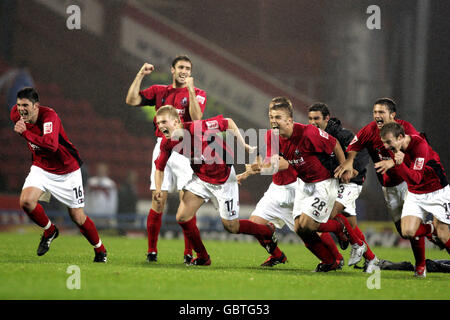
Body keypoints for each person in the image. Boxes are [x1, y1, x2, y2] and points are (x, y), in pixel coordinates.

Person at [153, 105, 276, 266]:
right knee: (182, 217)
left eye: (163, 122)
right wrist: (158, 189)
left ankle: (267, 230)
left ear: (176, 121)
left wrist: (244, 146)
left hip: (223, 179)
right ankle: (203, 257)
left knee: (231, 226)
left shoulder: (198, 127)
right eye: (158, 123)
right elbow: (159, 168)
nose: (160, 126)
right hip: (201, 179)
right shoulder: (167, 143)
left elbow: (228, 122)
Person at [250, 97, 362, 271]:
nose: (273, 121)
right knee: (300, 229)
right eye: (271, 117)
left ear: (289, 120)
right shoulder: (272, 136)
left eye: (278, 117)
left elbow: (334, 144)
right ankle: (328, 262)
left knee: (309, 225)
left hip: (323, 183)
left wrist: (345, 166)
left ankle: (340, 227)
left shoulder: (308, 132)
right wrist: (259, 167)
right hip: (303, 184)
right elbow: (272, 161)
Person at [125, 55, 207, 264]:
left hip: (185, 149)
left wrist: (190, 89)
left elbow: (197, 118)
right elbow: (131, 100)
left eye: (187, 68)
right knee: (158, 199)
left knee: (186, 202)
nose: (184, 71)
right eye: (180, 67)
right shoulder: (160, 91)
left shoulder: (198, 93)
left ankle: (188, 253)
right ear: (172, 69)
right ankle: (152, 251)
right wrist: (140, 75)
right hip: (162, 147)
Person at [10, 87, 107, 262]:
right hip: (41, 167)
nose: (21, 109)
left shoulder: (49, 117)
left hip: (67, 171)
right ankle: (50, 230)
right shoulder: (16, 115)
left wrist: (25, 133)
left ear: (36, 106)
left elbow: (51, 146)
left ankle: (100, 250)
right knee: (26, 201)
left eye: (25, 105)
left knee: (77, 216)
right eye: (18, 105)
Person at [335, 98, 426, 277]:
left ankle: (421, 265)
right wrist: (349, 161)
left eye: (381, 112)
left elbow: (419, 150)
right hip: (389, 188)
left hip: (409, 183)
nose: (377, 116)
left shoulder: (405, 129)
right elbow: (355, 145)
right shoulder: (369, 131)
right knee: (404, 231)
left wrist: (393, 162)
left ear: (392, 115)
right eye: (375, 112)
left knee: (412, 227)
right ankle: (433, 230)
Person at [307, 102, 378, 272]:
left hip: (351, 183)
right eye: (310, 118)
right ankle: (372, 259)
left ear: (327, 118)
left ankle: (354, 242)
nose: (313, 122)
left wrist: (352, 169)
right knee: (351, 227)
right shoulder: (313, 137)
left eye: (316, 118)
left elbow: (361, 151)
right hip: (334, 183)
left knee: (329, 214)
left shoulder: (343, 135)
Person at [379, 122, 450, 277]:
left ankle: (435, 230)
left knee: (444, 236)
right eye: (383, 142)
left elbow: (416, 177)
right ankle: (420, 266)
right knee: (408, 231)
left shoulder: (419, 146)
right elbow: (411, 180)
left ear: (400, 137)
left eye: (388, 142)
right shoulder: (394, 149)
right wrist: (399, 163)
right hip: (415, 193)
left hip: (436, 191)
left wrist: (400, 163)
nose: (385, 146)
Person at [84, 163, 118, 227]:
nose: (101, 172)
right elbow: (86, 198)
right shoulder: (91, 182)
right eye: (99, 170)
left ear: (107, 171)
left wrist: (111, 214)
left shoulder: (110, 184)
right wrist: (85, 211)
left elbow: (113, 201)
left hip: (105, 214)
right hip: (92, 213)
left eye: (103, 170)